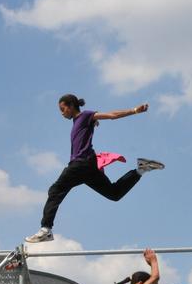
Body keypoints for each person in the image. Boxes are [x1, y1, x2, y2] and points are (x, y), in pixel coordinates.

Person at [26, 94, 164, 243]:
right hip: (88, 168)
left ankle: (45, 229)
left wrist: (135, 110)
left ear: (72, 106)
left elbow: (112, 115)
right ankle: (141, 169)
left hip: (80, 164)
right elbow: (91, 123)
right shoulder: (81, 120)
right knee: (114, 193)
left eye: (63, 109)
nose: (62, 113)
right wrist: (94, 122)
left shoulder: (85, 115)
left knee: (55, 190)